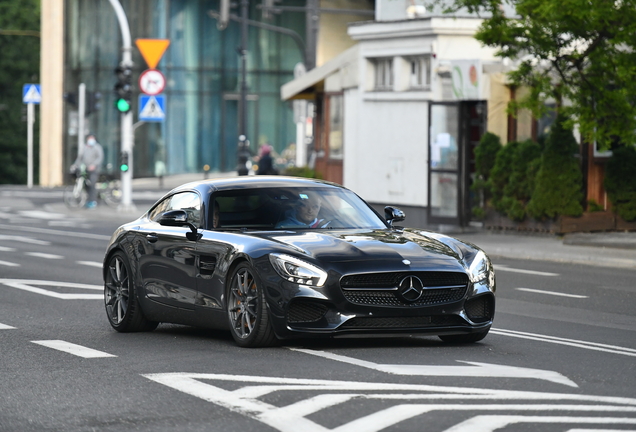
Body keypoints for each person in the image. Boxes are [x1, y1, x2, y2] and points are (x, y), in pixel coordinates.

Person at [72, 133, 104, 209]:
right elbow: (80, 158)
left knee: (92, 184)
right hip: (85, 169)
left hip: (94, 169)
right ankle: (87, 199)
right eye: (89, 138)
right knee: (85, 184)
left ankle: (93, 201)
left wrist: (94, 165)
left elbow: (100, 158)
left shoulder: (97, 147)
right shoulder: (85, 147)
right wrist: (75, 165)